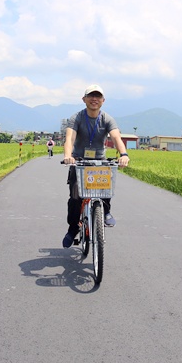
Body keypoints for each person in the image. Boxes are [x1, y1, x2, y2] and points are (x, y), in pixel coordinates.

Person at [61, 84, 130, 248]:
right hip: (78, 160)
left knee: (105, 187)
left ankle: (105, 212)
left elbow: (116, 138)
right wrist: (68, 156)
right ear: (84, 99)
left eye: (98, 96)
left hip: (99, 160)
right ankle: (73, 228)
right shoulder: (77, 117)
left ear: (103, 101)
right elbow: (70, 138)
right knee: (76, 197)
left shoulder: (107, 119)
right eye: (91, 96)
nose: (94, 99)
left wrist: (124, 155)